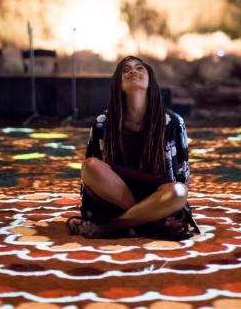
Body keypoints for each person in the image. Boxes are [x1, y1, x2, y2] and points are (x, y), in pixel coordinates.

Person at [66, 55, 200, 239]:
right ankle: (155, 222)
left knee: (179, 192)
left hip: (158, 194)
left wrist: (174, 202)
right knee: (89, 166)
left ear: (150, 81)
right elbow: (94, 176)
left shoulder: (173, 122)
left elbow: (180, 176)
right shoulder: (103, 122)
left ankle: (109, 228)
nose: (133, 71)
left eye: (139, 68)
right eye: (126, 69)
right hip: (115, 195)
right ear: (118, 84)